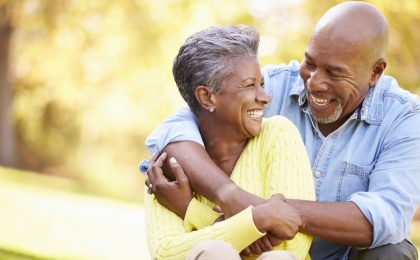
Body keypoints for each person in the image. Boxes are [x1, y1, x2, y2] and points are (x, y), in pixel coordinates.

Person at [145, 2, 420, 260]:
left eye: (335, 73)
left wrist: (266, 213)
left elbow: (385, 217)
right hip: (268, 251)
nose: (314, 83)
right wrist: (232, 197)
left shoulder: (404, 118)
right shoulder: (271, 86)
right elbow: (176, 129)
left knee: (394, 252)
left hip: (339, 255)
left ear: (375, 72)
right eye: (310, 63)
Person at [144, 25, 315, 260]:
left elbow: (290, 245)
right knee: (214, 253)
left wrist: (193, 212)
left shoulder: (278, 134)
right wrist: (257, 220)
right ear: (207, 97)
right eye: (249, 85)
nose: (265, 98)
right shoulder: (169, 164)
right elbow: (166, 253)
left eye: (262, 84)